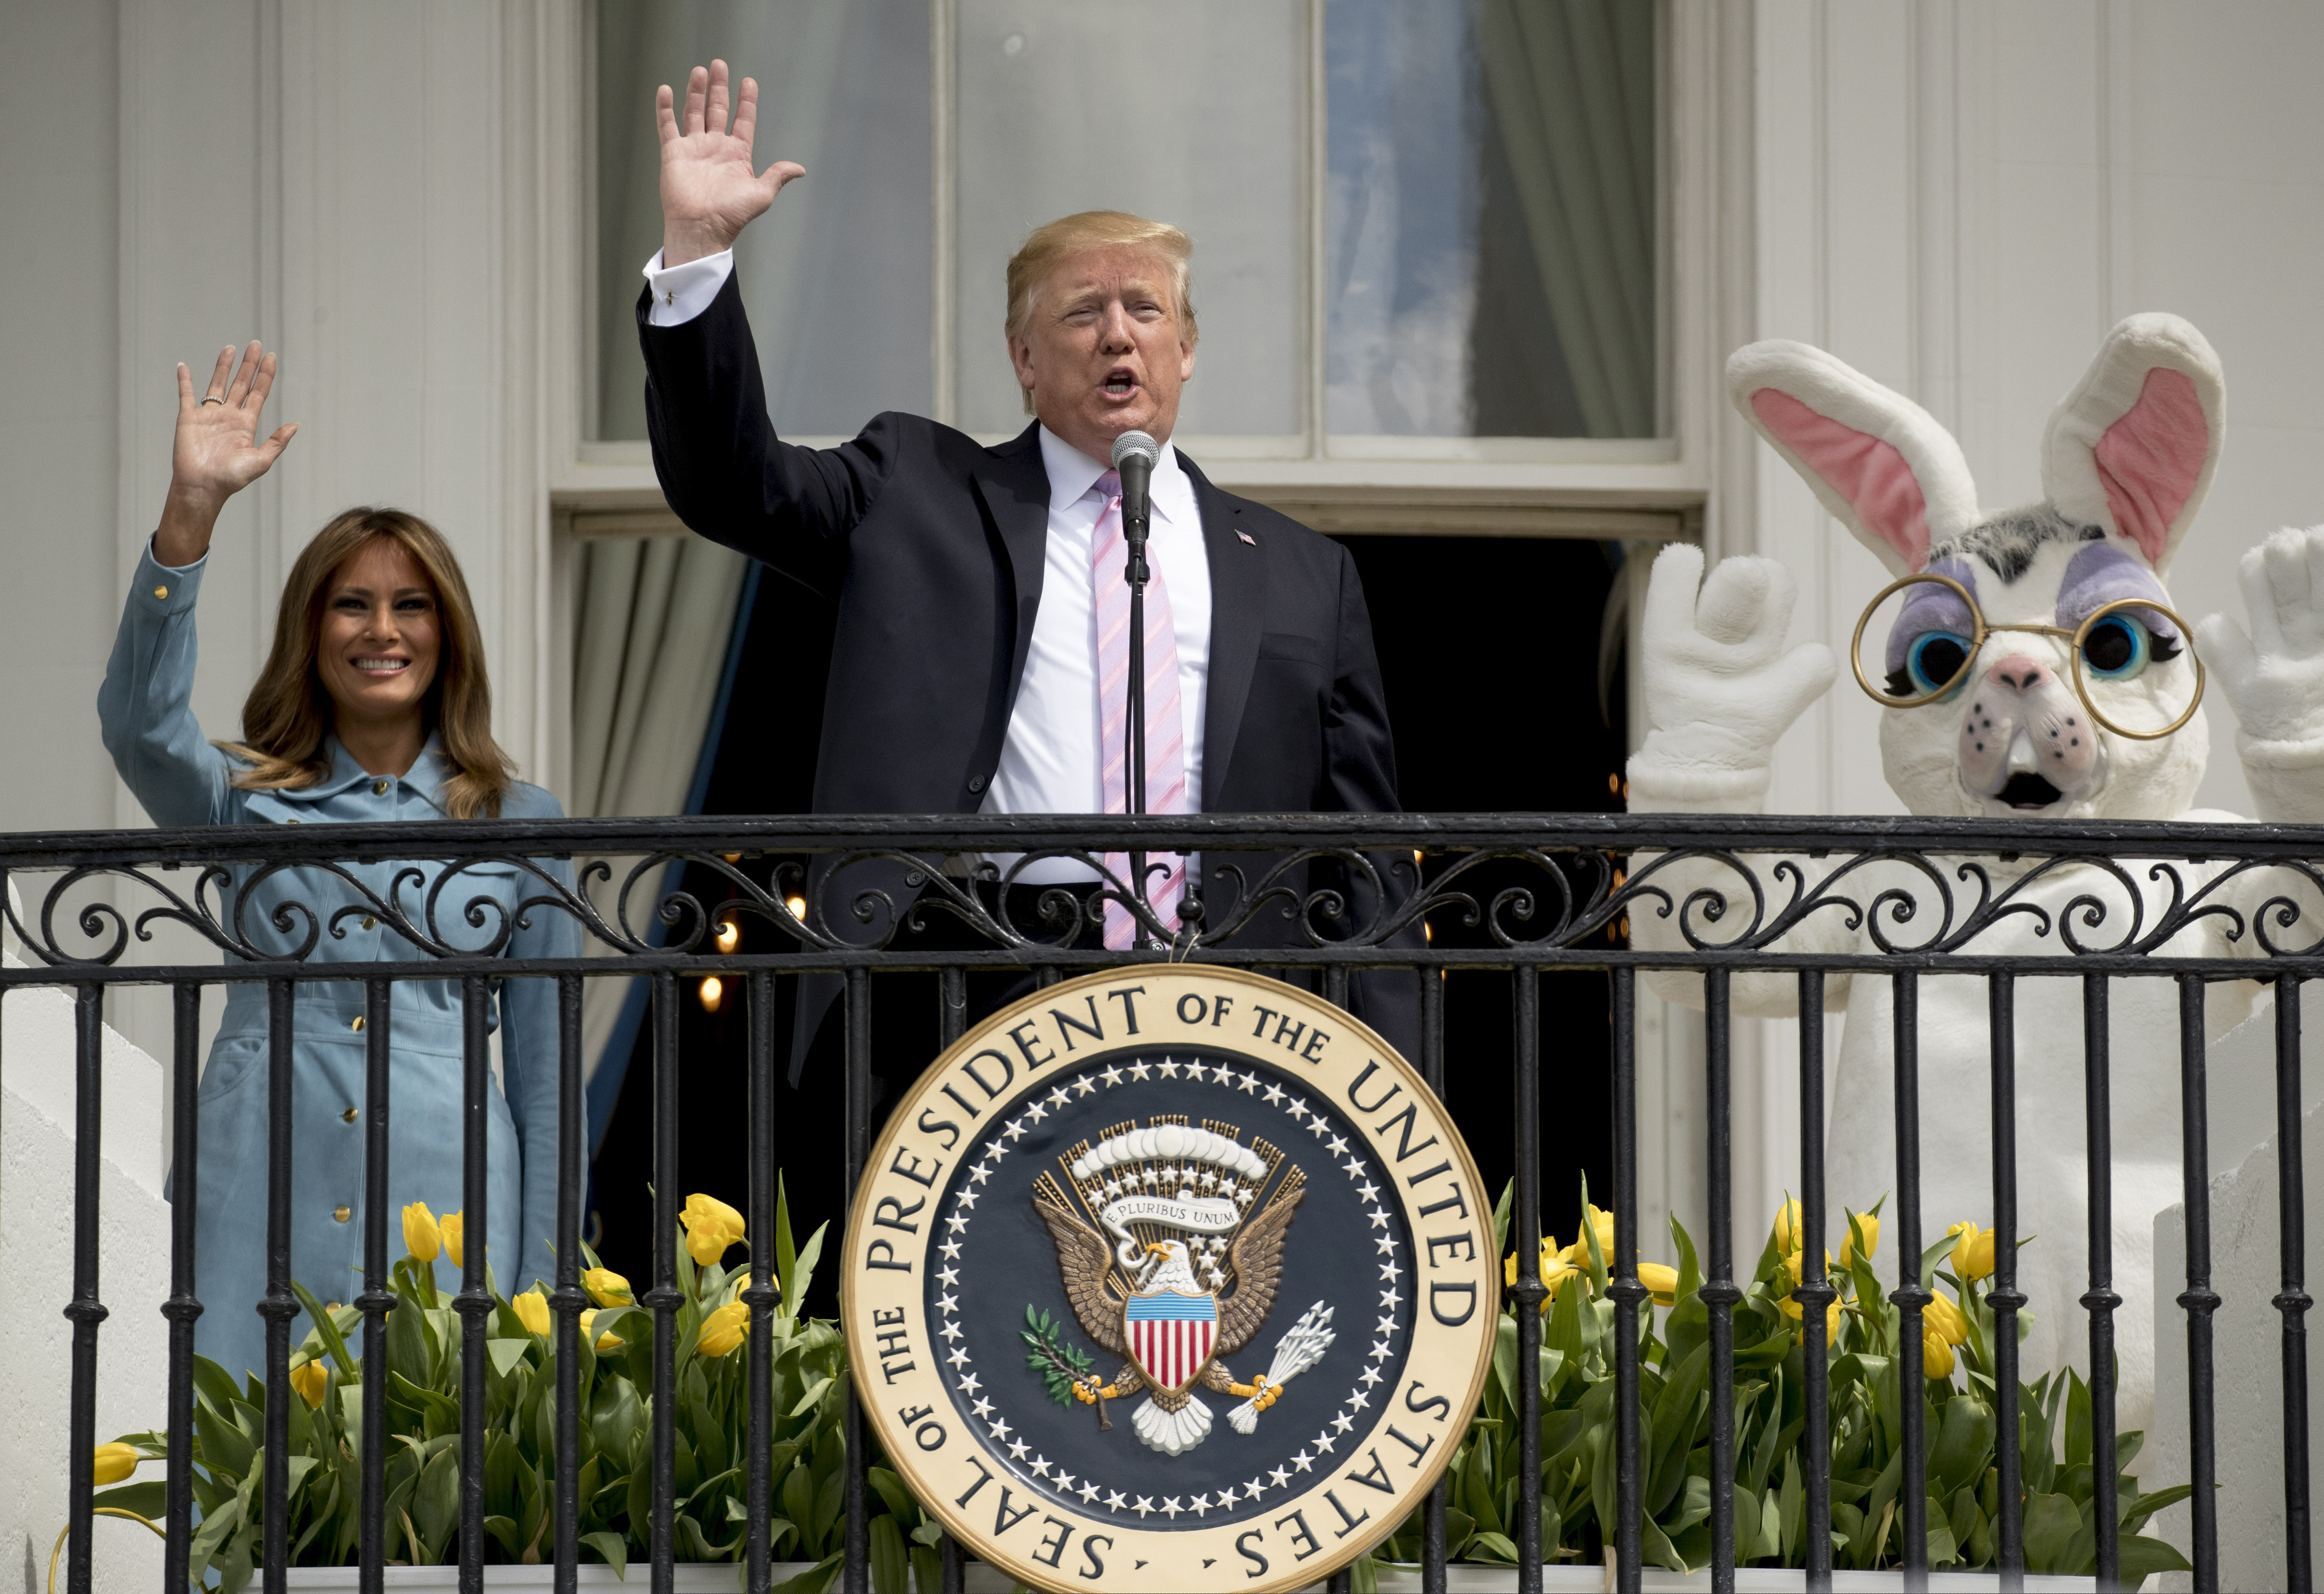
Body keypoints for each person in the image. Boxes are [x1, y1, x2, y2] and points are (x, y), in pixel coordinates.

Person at [635, 63, 1420, 1077]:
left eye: (1145, 308)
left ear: (1186, 350)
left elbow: (1371, 858)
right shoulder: (916, 491)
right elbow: (734, 487)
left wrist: (1403, 1106)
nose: (1117, 333)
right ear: (1023, 358)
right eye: (1082, 312)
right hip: (986, 985)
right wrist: (698, 256)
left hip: (1238, 1009)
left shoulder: (1307, 574)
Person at [98, 342, 577, 1380]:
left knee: (429, 1506)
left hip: (451, 1201)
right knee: (232, 1486)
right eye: (352, 603)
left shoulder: (519, 822)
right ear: (312, 629)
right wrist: (190, 516)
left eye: (412, 605)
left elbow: (545, 1085)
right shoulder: (246, 802)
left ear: (448, 634)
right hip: (259, 1178)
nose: (382, 629)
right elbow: (138, 728)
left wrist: (542, 1293)